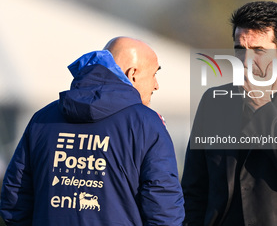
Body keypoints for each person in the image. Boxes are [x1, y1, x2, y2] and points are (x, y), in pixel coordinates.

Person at [0, 37, 185, 226]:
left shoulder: (43, 119)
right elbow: (164, 207)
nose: (156, 85)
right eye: (154, 74)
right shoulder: (146, 124)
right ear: (133, 74)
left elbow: (15, 199)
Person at [182, 1, 277, 226]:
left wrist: (263, 109)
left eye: (259, 50)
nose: (247, 61)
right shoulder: (214, 101)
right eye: (240, 50)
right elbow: (194, 187)